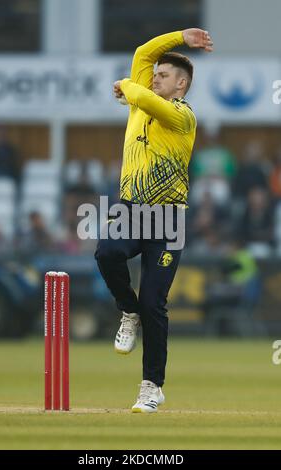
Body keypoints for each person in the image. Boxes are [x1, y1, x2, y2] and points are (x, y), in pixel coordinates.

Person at [95, 29, 213, 412]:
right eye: (154, 74)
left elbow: (144, 95)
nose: (154, 78)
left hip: (168, 221)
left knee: (154, 304)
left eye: (163, 76)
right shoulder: (139, 103)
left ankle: (151, 387)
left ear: (181, 85)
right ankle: (126, 310)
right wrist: (181, 36)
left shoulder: (182, 115)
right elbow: (143, 51)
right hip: (131, 209)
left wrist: (128, 86)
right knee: (107, 254)